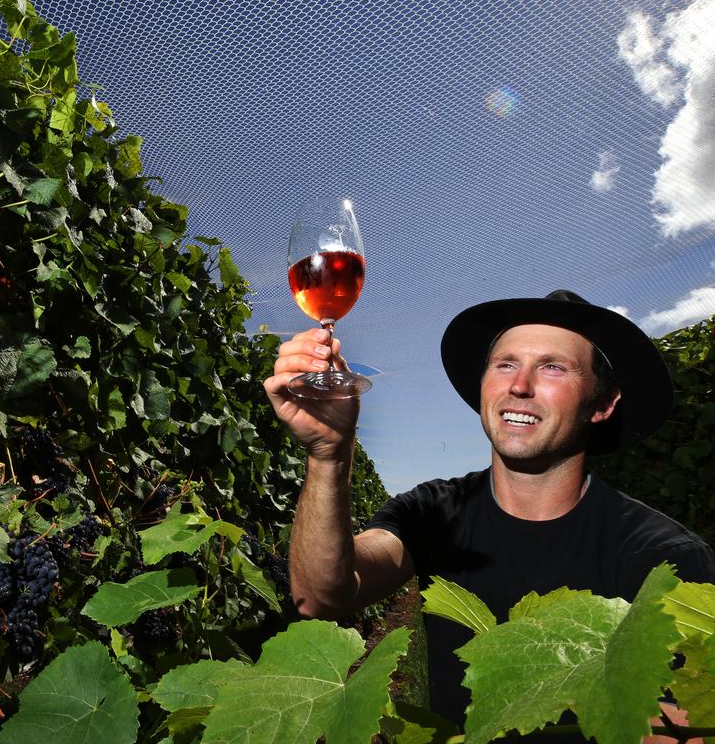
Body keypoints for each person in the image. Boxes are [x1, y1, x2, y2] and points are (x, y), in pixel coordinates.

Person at [264, 289, 715, 729]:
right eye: (505, 365)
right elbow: (320, 597)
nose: (520, 386)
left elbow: (685, 721)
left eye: (553, 368)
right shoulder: (434, 511)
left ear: (603, 403)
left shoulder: (667, 560)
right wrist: (329, 455)